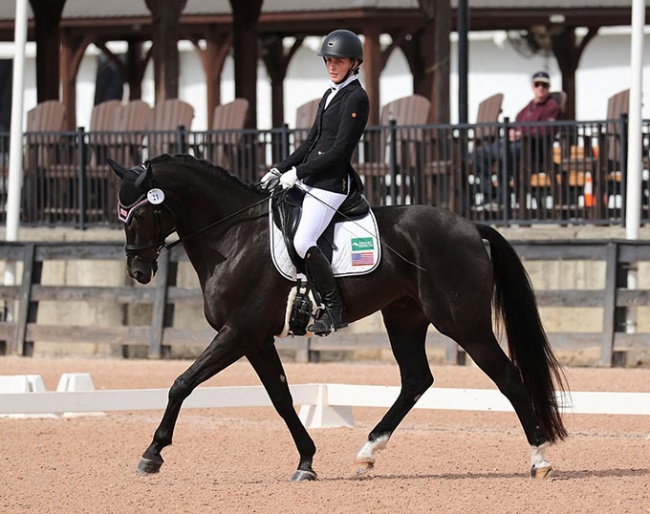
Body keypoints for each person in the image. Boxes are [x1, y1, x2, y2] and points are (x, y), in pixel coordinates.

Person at [260, 29, 369, 336]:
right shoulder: (329, 94)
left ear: (354, 63)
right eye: (328, 61)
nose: (332, 66)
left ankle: (335, 310)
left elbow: (338, 152)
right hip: (311, 178)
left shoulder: (356, 97)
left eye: (339, 61)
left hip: (331, 184)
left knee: (303, 240)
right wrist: (279, 170)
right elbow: (310, 143)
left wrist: (300, 174)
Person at [472, 70, 560, 210]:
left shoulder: (552, 107)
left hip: (534, 148)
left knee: (504, 154)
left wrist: (520, 134)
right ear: (533, 86)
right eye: (537, 84)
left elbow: (547, 130)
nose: (540, 88)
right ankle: (490, 193)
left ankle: (502, 199)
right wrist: (511, 132)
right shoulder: (527, 107)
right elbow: (515, 123)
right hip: (512, 145)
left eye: (544, 85)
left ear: (549, 87)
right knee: (478, 153)